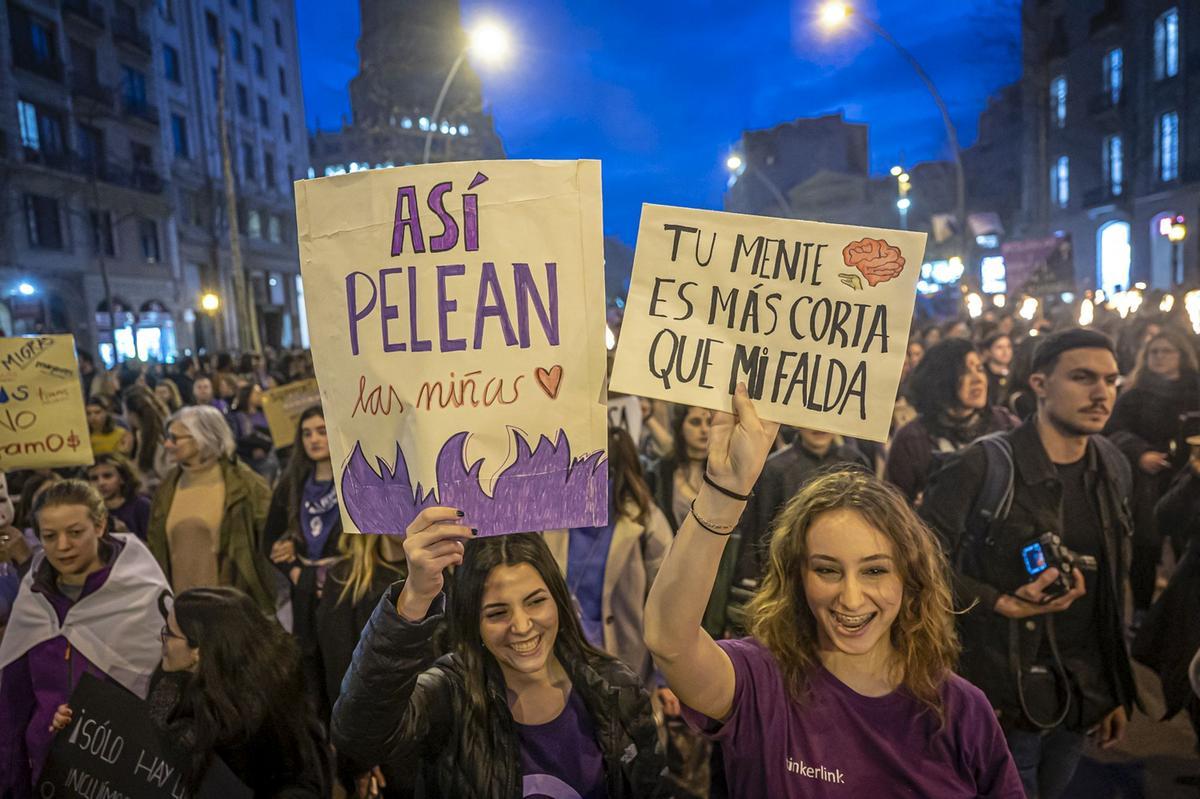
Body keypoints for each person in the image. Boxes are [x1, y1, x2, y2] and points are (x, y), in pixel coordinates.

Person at [642, 384, 1023, 797]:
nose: (852, 598)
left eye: (875, 570)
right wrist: (723, 493)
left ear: (910, 578)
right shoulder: (761, 682)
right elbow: (670, 641)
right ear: (796, 576)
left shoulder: (963, 710)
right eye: (827, 570)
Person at [921, 329, 1136, 799]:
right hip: (1000, 694)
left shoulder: (1112, 466)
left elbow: (1111, 584)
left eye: (1111, 380)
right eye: (1082, 377)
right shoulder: (984, 465)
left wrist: (1111, 687)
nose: (1101, 393)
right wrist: (1000, 602)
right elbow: (916, 563)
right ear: (1040, 383)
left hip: (1079, 691)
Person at [332, 524, 665, 797]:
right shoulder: (449, 692)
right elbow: (357, 736)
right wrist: (415, 599)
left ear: (559, 601)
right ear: (472, 620)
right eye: (497, 612)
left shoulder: (616, 686)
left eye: (536, 602)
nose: (521, 626)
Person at [52, 587, 332, 796]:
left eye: (170, 633)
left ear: (200, 650)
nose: (161, 638)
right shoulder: (169, 682)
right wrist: (74, 725)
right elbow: (141, 750)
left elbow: (302, 778)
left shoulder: (264, 710)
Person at [0, 480, 169, 796]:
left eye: (75, 532)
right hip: (48, 769)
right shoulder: (33, 598)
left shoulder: (142, 593)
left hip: (122, 773)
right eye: (49, 536)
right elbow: (12, 704)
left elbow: (171, 695)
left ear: (101, 525)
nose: (62, 546)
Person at [544, 426, 672, 685]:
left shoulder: (647, 523)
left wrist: (665, 676)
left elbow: (668, 604)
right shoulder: (550, 517)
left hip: (626, 663)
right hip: (561, 661)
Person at [1104, 327, 1200, 620]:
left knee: (1188, 546)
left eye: (1166, 351)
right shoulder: (1136, 393)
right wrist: (1140, 453)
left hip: (1191, 479)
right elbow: (1114, 431)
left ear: (1181, 355)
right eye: (1154, 352)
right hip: (1149, 481)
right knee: (1146, 545)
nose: (1159, 357)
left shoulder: (1196, 388)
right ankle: (1142, 610)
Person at [146, 405, 276, 613]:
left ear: (202, 437)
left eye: (175, 438)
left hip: (231, 609)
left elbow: (268, 544)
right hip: (181, 609)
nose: (167, 444)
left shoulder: (246, 486)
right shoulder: (167, 488)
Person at [316, 533, 409, 798]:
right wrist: (359, 755)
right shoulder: (346, 579)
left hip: (438, 740)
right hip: (383, 748)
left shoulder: (452, 573)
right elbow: (339, 673)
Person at [264, 406, 344, 715]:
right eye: (307, 433)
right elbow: (269, 540)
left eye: (322, 431)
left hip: (347, 590)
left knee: (346, 663)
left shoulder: (356, 476)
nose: (314, 439)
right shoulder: (292, 482)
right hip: (306, 592)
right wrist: (293, 569)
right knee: (311, 665)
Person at [733, 428, 871, 592]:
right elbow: (758, 530)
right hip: (787, 578)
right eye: (813, 417)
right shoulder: (775, 468)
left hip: (845, 571)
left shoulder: (855, 462)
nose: (819, 426)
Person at [885, 338, 1018, 504]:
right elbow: (894, 510)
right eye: (965, 372)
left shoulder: (1005, 424)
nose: (978, 379)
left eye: (979, 369)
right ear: (941, 378)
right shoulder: (912, 440)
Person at [87, 454, 152, 540]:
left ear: (122, 479)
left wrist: (126, 535)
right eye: (94, 478)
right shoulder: (90, 510)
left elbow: (154, 549)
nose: (101, 483)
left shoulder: (142, 505)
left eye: (107, 476)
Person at [121, 385, 171, 492]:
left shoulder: (156, 438)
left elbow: (161, 472)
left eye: (124, 410)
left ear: (132, 414)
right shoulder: (142, 434)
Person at [229, 382, 279, 483]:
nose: (261, 395)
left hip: (269, 454)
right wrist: (251, 451)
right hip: (248, 459)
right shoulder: (237, 417)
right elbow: (235, 440)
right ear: (248, 396)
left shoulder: (265, 413)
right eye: (257, 393)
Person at [982, 332, 1014, 408]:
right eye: (999, 347)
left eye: (1009, 347)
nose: (1005, 351)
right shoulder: (983, 375)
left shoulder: (1015, 374)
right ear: (988, 351)